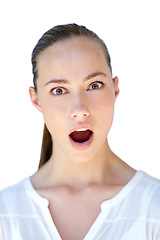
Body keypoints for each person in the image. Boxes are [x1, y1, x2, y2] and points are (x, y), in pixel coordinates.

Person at [0, 23, 160, 240]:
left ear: (115, 89)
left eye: (94, 85)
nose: (80, 110)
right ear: (36, 100)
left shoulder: (154, 206)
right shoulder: (6, 213)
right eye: (59, 90)